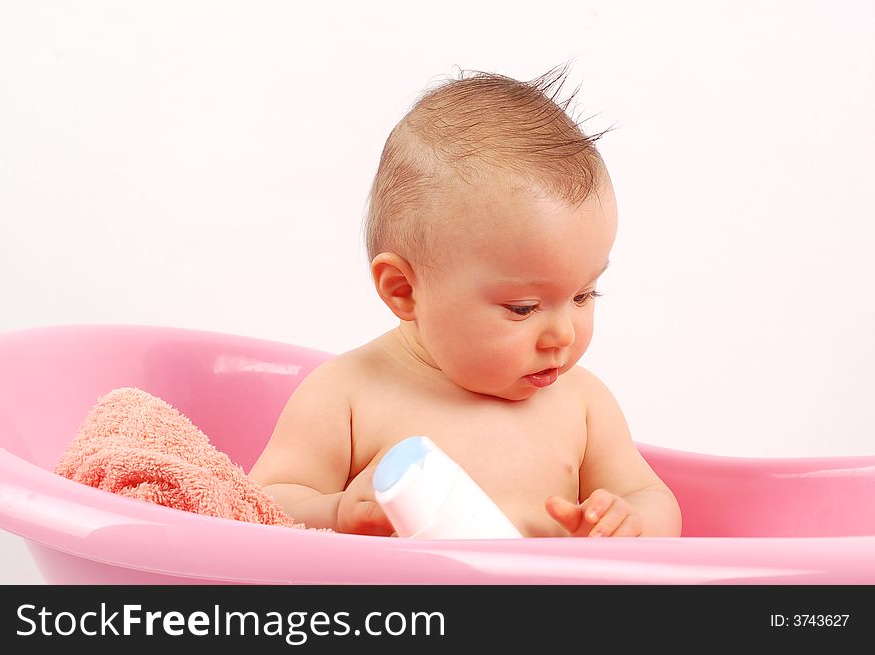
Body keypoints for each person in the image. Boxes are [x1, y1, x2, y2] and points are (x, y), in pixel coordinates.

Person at [249, 66, 682, 538]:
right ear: (403, 290)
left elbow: (653, 499)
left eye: (583, 294)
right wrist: (336, 512)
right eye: (523, 307)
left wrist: (628, 522)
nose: (565, 333)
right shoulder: (346, 395)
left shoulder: (582, 402)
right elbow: (261, 504)